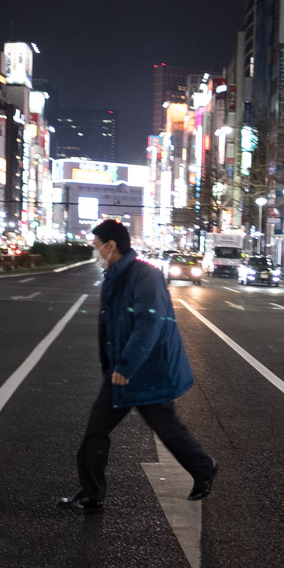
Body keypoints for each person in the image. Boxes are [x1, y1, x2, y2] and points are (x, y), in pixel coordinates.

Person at [59, 219, 217, 514]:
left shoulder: (145, 275)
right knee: (96, 430)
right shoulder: (113, 275)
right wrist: (114, 365)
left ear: (111, 246)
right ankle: (93, 493)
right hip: (121, 370)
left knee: (166, 427)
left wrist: (127, 365)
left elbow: (150, 323)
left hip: (148, 370)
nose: (95, 253)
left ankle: (204, 467)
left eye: (97, 247)